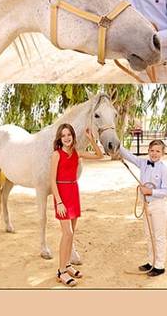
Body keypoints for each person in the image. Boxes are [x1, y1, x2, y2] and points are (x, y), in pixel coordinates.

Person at [50, 123, 104, 287]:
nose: (66, 138)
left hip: (73, 192)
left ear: (73, 137)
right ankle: (61, 271)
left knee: (71, 234)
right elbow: (52, 180)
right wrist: (58, 202)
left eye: (69, 135)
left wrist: (91, 139)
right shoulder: (56, 155)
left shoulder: (76, 153)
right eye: (63, 135)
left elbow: (99, 155)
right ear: (60, 138)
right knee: (67, 233)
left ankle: (67, 265)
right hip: (62, 194)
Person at [119, 139, 167, 277]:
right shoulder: (143, 163)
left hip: (158, 206)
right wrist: (116, 143)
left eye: (158, 151)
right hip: (146, 205)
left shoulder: (164, 170)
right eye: (152, 150)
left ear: (162, 153)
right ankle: (151, 261)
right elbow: (128, 156)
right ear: (148, 151)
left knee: (159, 236)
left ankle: (160, 265)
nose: (154, 154)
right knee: (149, 235)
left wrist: (151, 192)